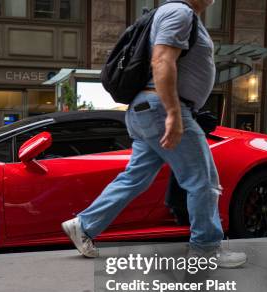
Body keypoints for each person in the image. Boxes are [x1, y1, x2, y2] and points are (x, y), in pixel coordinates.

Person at [62, 0, 246, 268]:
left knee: (134, 178)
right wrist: (173, 112)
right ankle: (206, 248)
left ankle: (84, 225)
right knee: (203, 179)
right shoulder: (179, 12)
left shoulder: (179, 14)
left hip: (148, 109)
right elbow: (161, 59)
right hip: (162, 108)